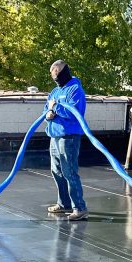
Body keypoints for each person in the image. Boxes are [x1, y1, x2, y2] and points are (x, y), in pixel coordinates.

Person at [44, 60, 88, 221]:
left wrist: (55, 108)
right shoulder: (55, 92)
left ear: (60, 70)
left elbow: (74, 112)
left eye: (53, 71)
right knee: (56, 171)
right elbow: (46, 108)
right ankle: (64, 204)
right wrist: (48, 113)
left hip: (68, 137)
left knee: (69, 171)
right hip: (54, 135)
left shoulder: (75, 90)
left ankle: (80, 207)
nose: (52, 75)